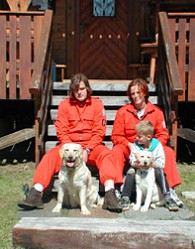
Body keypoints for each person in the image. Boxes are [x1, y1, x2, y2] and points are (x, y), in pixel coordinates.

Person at [18, 73, 122, 212]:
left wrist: (87, 150)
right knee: (50, 156)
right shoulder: (64, 105)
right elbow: (61, 130)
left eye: (82, 88)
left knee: (107, 155)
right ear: (72, 91)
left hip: (91, 146)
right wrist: (71, 149)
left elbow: (99, 131)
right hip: (69, 147)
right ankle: (36, 194)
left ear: (88, 89)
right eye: (76, 89)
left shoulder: (97, 104)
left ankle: (110, 194)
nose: (79, 92)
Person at [111, 78, 183, 207]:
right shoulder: (123, 112)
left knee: (168, 151)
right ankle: (117, 188)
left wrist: (153, 147)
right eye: (133, 93)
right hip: (131, 148)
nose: (136, 96)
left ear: (145, 93)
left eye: (139, 92)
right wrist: (128, 144)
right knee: (116, 150)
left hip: (150, 148)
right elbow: (116, 135)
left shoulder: (156, 112)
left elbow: (163, 134)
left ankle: (170, 191)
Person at [120, 120, 179, 211]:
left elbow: (161, 162)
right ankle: (125, 197)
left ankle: (167, 196)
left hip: (152, 168)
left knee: (160, 171)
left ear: (148, 137)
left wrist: (152, 164)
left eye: (139, 136)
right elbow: (132, 159)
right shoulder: (136, 145)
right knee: (131, 171)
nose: (137, 138)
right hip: (139, 168)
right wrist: (136, 164)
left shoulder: (157, 145)